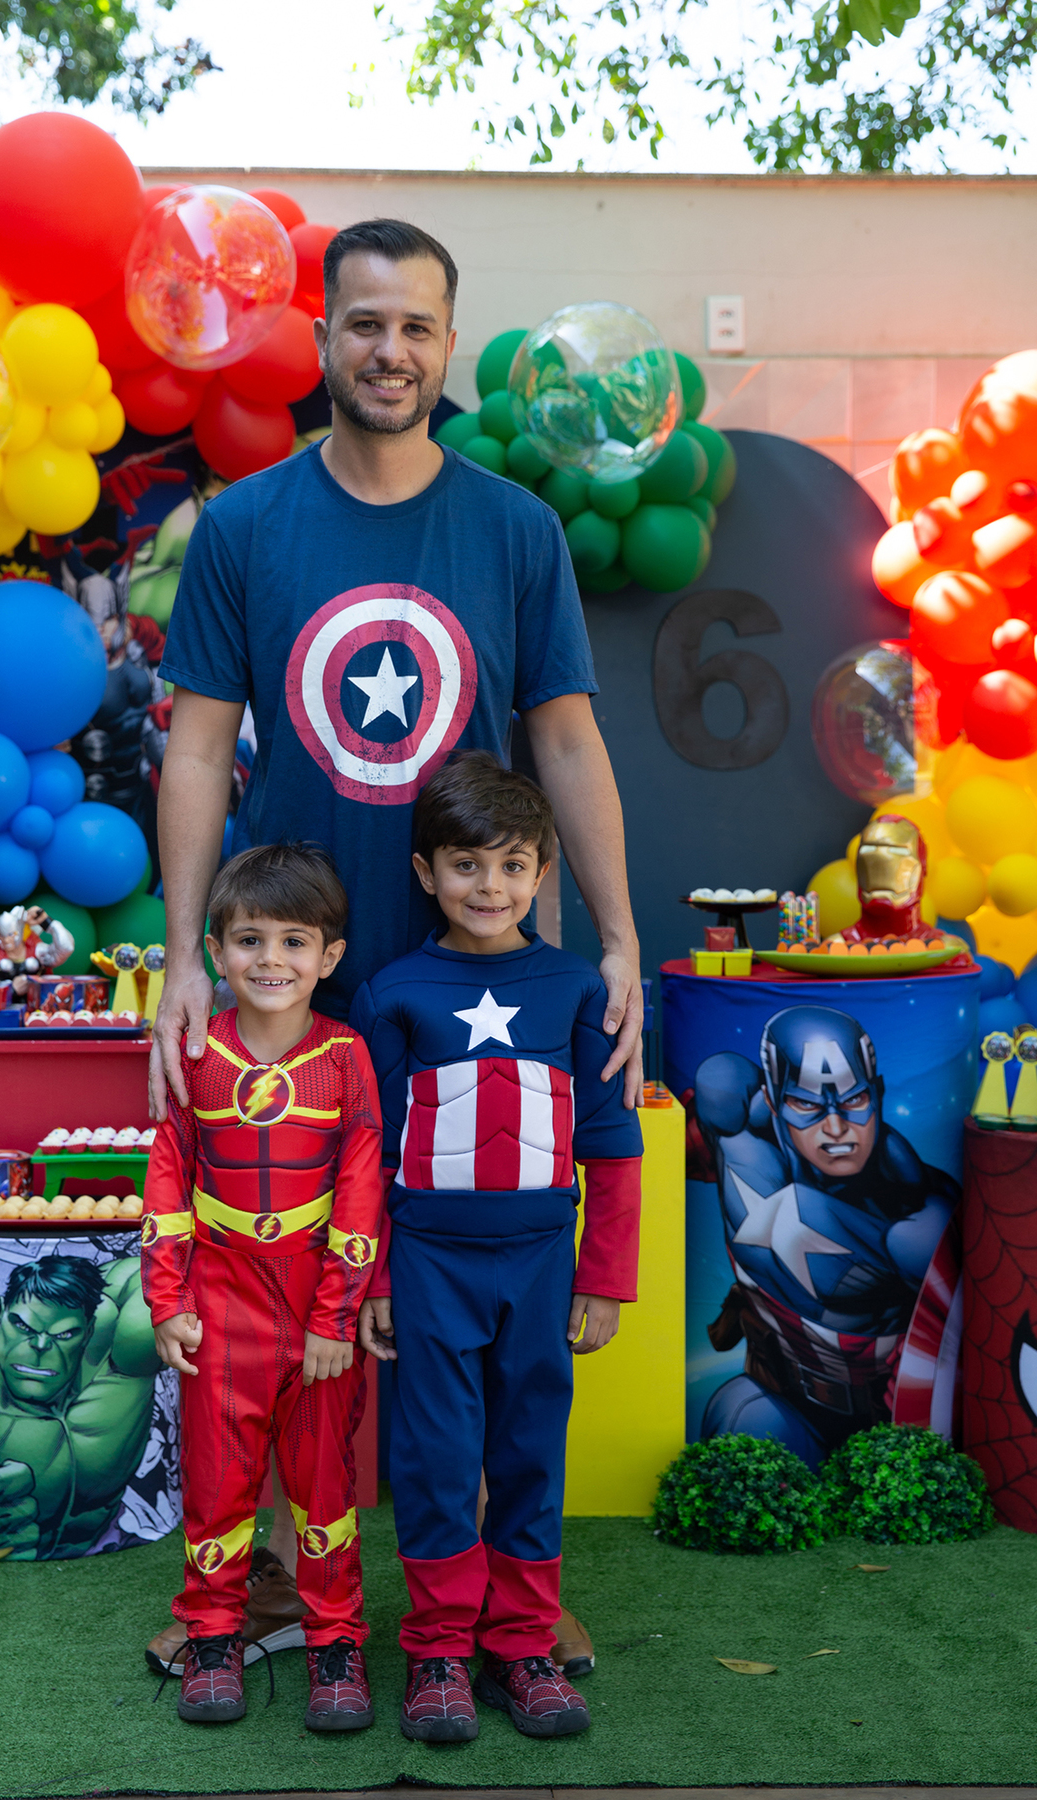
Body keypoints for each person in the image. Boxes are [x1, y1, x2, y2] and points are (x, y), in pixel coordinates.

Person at [146, 215, 644, 1676]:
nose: (390, 351)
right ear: (323, 337)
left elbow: (565, 739)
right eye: (364, 324)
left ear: (448, 339)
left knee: (484, 1316)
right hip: (290, 978)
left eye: (417, 327)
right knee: (305, 1301)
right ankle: (320, 1593)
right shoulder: (244, 527)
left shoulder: (514, 529)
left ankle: (498, 1601)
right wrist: (183, 956)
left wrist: (614, 938)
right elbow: (194, 750)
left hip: (478, 990)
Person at [351, 755, 643, 1741]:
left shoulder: (571, 988)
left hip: (541, 1264)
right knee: (435, 1458)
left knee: (528, 1452)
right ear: (427, 872)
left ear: (542, 873)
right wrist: (380, 1278)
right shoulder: (395, 993)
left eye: (513, 866)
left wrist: (602, 1279)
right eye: (467, 866)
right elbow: (369, 1151)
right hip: (429, 1268)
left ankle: (520, 1649)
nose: (490, 888)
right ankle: (437, 1653)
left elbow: (613, 1143)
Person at [142, 842, 384, 1730]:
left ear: (330, 957)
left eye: (294, 941)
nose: (271, 960)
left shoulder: (347, 1057)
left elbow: (363, 1190)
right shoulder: (196, 1055)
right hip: (220, 1312)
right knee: (217, 1487)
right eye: (249, 940)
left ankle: (335, 1645)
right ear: (214, 951)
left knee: (326, 1491)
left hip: (317, 1320)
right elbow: (168, 1175)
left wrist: (336, 1318)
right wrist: (167, 1298)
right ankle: (213, 1637)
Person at [692, 1004, 960, 1470]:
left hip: (890, 1424)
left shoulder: (917, 1217)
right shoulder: (738, 1139)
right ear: (772, 1102)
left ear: (876, 1094)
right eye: (808, 1106)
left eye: (854, 1101)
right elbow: (714, 1090)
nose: (836, 1129)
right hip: (784, 1400)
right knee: (743, 1426)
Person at [0, 1255, 160, 1560]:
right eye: (22, 1326)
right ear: (1, 1313)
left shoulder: (117, 1363)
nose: (40, 1347)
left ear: (88, 1330)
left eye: (64, 1334)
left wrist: (70, 1281)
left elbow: (145, 1271)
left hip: (113, 1544)